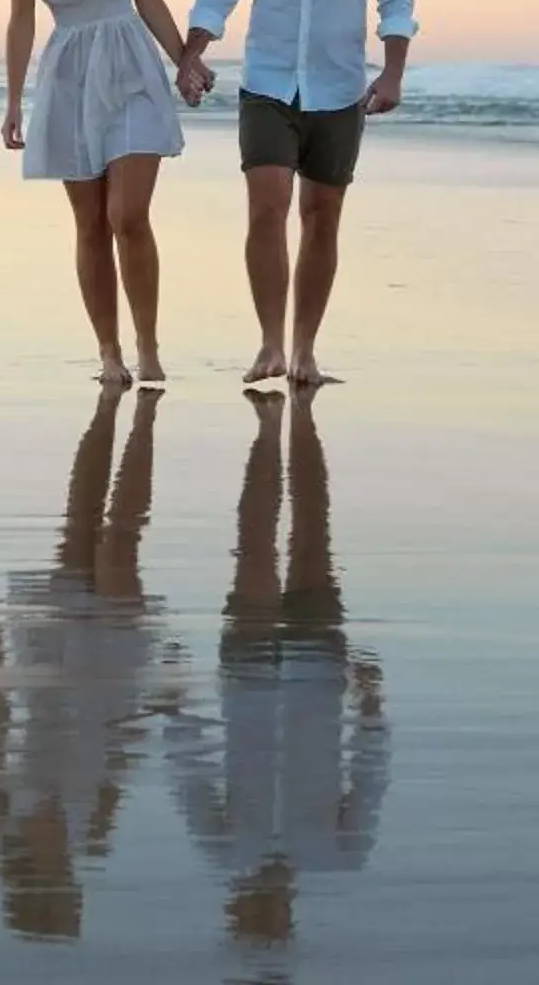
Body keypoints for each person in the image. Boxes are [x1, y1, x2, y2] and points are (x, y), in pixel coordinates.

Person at [176, 0, 417, 387]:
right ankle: (269, 347)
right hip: (267, 85)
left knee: (322, 217)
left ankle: (305, 353)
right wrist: (191, 56)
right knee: (267, 210)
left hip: (338, 90)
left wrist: (392, 73)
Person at [166, 387, 388, 956]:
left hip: (246, 678)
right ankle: (297, 423)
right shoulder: (338, 858)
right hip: (316, 672)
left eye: (238, 920)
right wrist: (371, 706)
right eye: (253, 922)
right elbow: (369, 776)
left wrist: (175, 703)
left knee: (255, 547)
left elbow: (191, 774)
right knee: (313, 534)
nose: (240, 908)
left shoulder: (224, 851)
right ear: (285, 926)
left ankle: (269, 431)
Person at [0, 387, 182, 941]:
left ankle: (119, 407)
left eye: (63, 891)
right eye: (74, 893)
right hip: (111, 670)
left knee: (79, 524)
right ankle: (144, 424)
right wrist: (164, 686)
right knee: (119, 544)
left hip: (47, 657)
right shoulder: (91, 835)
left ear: (36, 885)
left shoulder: (0, 816)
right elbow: (119, 755)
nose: (73, 881)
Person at [4, 0, 195, 387]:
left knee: (127, 216)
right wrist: (15, 102)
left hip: (132, 69)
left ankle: (148, 345)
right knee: (90, 225)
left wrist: (185, 59)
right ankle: (109, 355)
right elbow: (19, 23)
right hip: (70, 82)